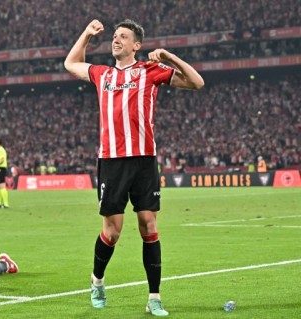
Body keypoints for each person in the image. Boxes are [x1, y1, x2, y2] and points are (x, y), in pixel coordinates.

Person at [64, 19, 204, 316]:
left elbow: (196, 82)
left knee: (148, 225)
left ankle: (154, 297)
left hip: (144, 159)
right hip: (112, 161)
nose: (116, 39)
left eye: (123, 37)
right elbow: (71, 63)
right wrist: (87, 35)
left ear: (136, 46)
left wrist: (169, 57)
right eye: (114, 36)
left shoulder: (150, 71)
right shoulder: (102, 74)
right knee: (112, 231)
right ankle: (97, 280)